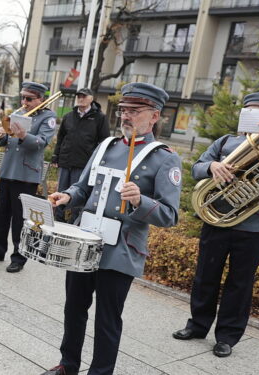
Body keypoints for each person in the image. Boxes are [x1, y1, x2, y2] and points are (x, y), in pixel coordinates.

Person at [42, 82, 181, 375]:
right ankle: (68, 365)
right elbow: (84, 187)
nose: (126, 116)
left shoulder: (165, 157)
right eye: (123, 110)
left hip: (121, 250)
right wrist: (67, 195)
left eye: (134, 111)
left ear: (154, 116)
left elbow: (170, 215)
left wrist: (140, 201)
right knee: (74, 308)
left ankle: (100, 372)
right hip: (85, 241)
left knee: (107, 318)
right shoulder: (106, 145)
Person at [172, 92, 259, 358]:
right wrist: (212, 167)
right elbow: (197, 167)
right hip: (217, 219)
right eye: (249, 110)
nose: (254, 115)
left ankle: (228, 337)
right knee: (205, 276)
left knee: (240, 283)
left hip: (254, 225)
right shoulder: (225, 141)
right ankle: (197, 326)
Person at [0, 81, 57, 273]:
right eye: (22, 97)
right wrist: (1, 136)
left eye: (29, 99)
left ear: (40, 99)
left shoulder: (48, 117)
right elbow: (5, 143)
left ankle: (18, 257)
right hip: (8, 170)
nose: (24, 101)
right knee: (1, 215)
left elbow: (41, 143)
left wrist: (23, 135)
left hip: (26, 174)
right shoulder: (19, 114)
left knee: (20, 220)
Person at [52, 87, 110, 223]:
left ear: (91, 98)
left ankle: (73, 224)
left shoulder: (100, 118)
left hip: (83, 164)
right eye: (78, 96)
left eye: (84, 96)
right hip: (66, 162)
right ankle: (58, 222)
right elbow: (60, 138)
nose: (80, 98)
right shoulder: (68, 116)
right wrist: (56, 156)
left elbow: (104, 141)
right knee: (61, 193)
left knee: (77, 196)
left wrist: (97, 161)